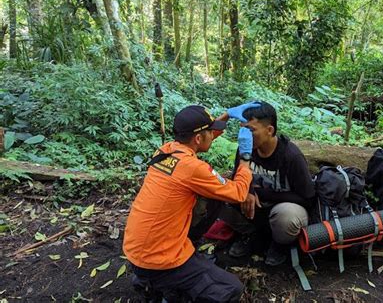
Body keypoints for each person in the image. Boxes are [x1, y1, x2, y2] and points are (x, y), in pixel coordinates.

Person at [123, 103, 259, 302]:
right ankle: (165, 287)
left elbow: (202, 138)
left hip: (136, 249)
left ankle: (154, 277)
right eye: (210, 131)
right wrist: (246, 158)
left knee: (213, 196)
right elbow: (238, 193)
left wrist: (227, 116)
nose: (213, 134)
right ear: (197, 138)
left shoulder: (165, 152)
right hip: (159, 260)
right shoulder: (193, 169)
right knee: (231, 289)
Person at [220, 101, 315, 266]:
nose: (245, 135)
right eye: (243, 129)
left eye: (251, 130)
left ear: (269, 130)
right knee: (218, 194)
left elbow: (308, 198)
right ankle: (250, 234)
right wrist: (248, 190)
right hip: (255, 208)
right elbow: (237, 178)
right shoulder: (245, 148)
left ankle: (280, 244)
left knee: (287, 217)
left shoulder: (291, 156)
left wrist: (262, 193)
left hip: (282, 208)